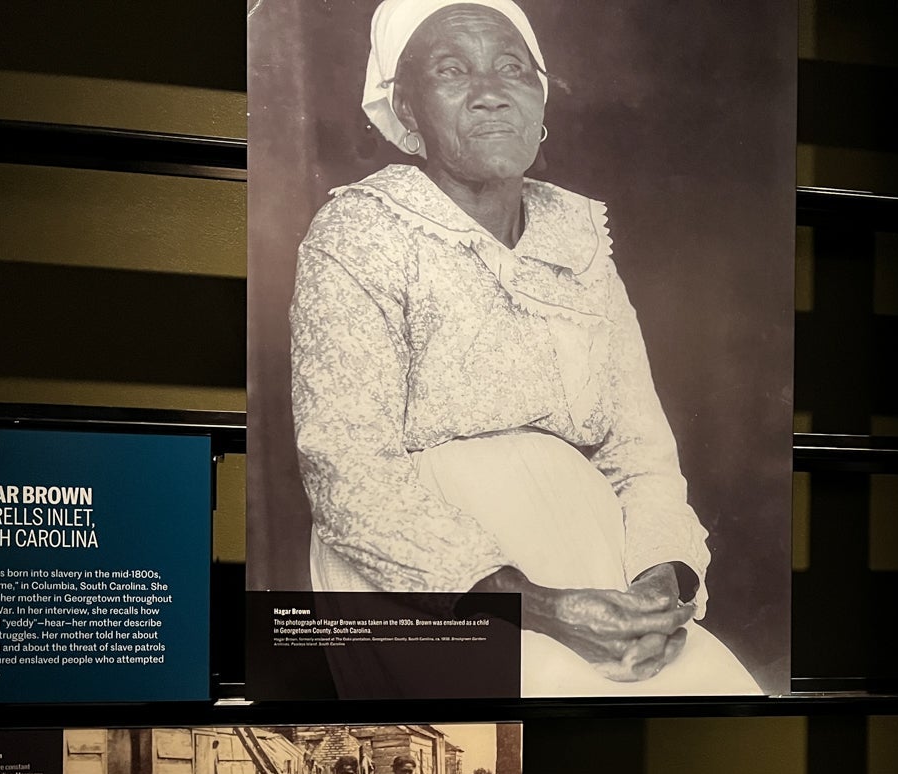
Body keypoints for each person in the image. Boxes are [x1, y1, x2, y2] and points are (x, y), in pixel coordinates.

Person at [289, 0, 760, 697]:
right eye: (452, 70)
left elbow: (642, 453)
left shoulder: (578, 241)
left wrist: (663, 579)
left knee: (722, 698)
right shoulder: (359, 233)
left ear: (541, 102)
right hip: (433, 587)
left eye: (512, 67)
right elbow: (347, 473)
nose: (490, 90)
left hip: (593, 570)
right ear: (407, 112)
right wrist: (538, 607)